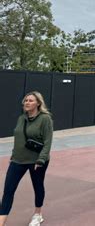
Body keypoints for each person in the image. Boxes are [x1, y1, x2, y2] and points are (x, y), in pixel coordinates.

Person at [0, 91, 53, 226]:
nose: (26, 103)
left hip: (37, 161)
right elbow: (18, 137)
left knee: (38, 186)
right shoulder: (21, 118)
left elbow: (48, 142)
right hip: (18, 160)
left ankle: (38, 214)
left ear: (38, 103)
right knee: (8, 190)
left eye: (30, 100)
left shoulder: (45, 119)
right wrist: (13, 154)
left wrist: (41, 160)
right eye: (25, 100)